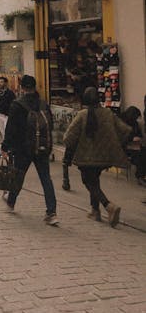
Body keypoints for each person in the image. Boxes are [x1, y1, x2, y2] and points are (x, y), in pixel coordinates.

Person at [63, 87, 131, 226]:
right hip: (104, 158)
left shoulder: (82, 115)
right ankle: (95, 211)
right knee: (94, 181)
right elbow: (125, 131)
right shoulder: (107, 113)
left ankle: (108, 206)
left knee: (89, 182)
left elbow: (68, 137)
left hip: (85, 158)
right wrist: (115, 144)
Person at [1, 74, 59, 225]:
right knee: (46, 179)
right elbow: (50, 124)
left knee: (18, 176)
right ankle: (51, 212)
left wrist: (5, 147)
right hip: (41, 148)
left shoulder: (17, 105)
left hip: (23, 148)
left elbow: (10, 129)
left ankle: (11, 202)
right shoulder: (43, 104)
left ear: (21, 87)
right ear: (35, 87)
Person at [121, 106, 146, 186]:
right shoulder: (121, 123)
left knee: (143, 151)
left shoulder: (135, 124)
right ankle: (140, 176)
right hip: (124, 147)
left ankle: (141, 175)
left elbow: (139, 134)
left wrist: (139, 138)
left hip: (134, 146)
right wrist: (131, 138)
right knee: (140, 155)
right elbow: (119, 138)